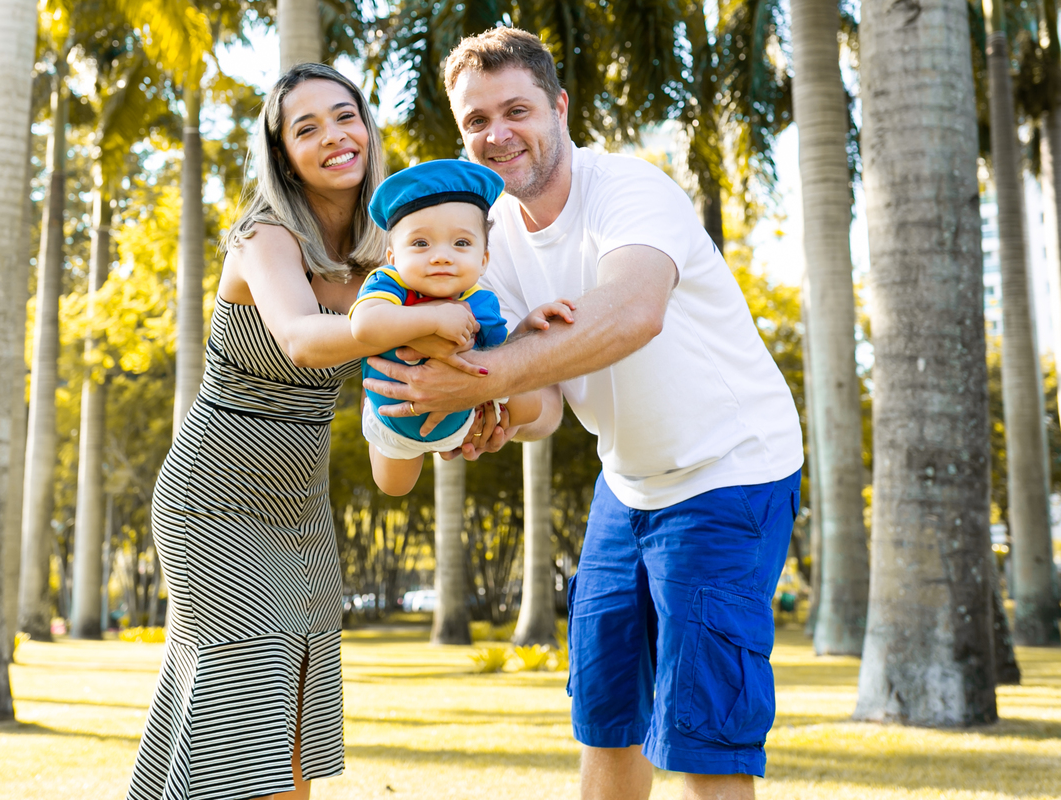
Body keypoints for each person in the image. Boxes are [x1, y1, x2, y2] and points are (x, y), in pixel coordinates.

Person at [362, 28, 804, 800]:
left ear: (559, 107)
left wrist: (480, 378)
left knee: (705, 743)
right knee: (604, 720)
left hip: (729, 472)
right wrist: (487, 413)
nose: (496, 134)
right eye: (475, 120)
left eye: (516, 110)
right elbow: (544, 407)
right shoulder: (484, 242)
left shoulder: (628, 189)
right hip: (628, 483)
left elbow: (632, 313)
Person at [123, 63, 468, 800]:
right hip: (213, 507)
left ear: (368, 128)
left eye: (345, 117)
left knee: (293, 736)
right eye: (305, 128)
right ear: (283, 154)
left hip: (302, 511)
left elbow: (457, 336)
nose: (333, 137)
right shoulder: (264, 237)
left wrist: (492, 358)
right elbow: (305, 339)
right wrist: (429, 320)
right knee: (245, 721)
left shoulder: (387, 258)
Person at [350, 158, 573, 495]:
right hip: (392, 416)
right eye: (421, 244)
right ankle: (385, 432)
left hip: (464, 419)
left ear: (483, 258)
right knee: (394, 487)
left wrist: (525, 329)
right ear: (394, 258)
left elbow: (503, 358)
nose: (441, 256)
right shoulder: (389, 285)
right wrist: (435, 318)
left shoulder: (481, 302)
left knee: (531, 403)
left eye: (461, 243)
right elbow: (364, 326)